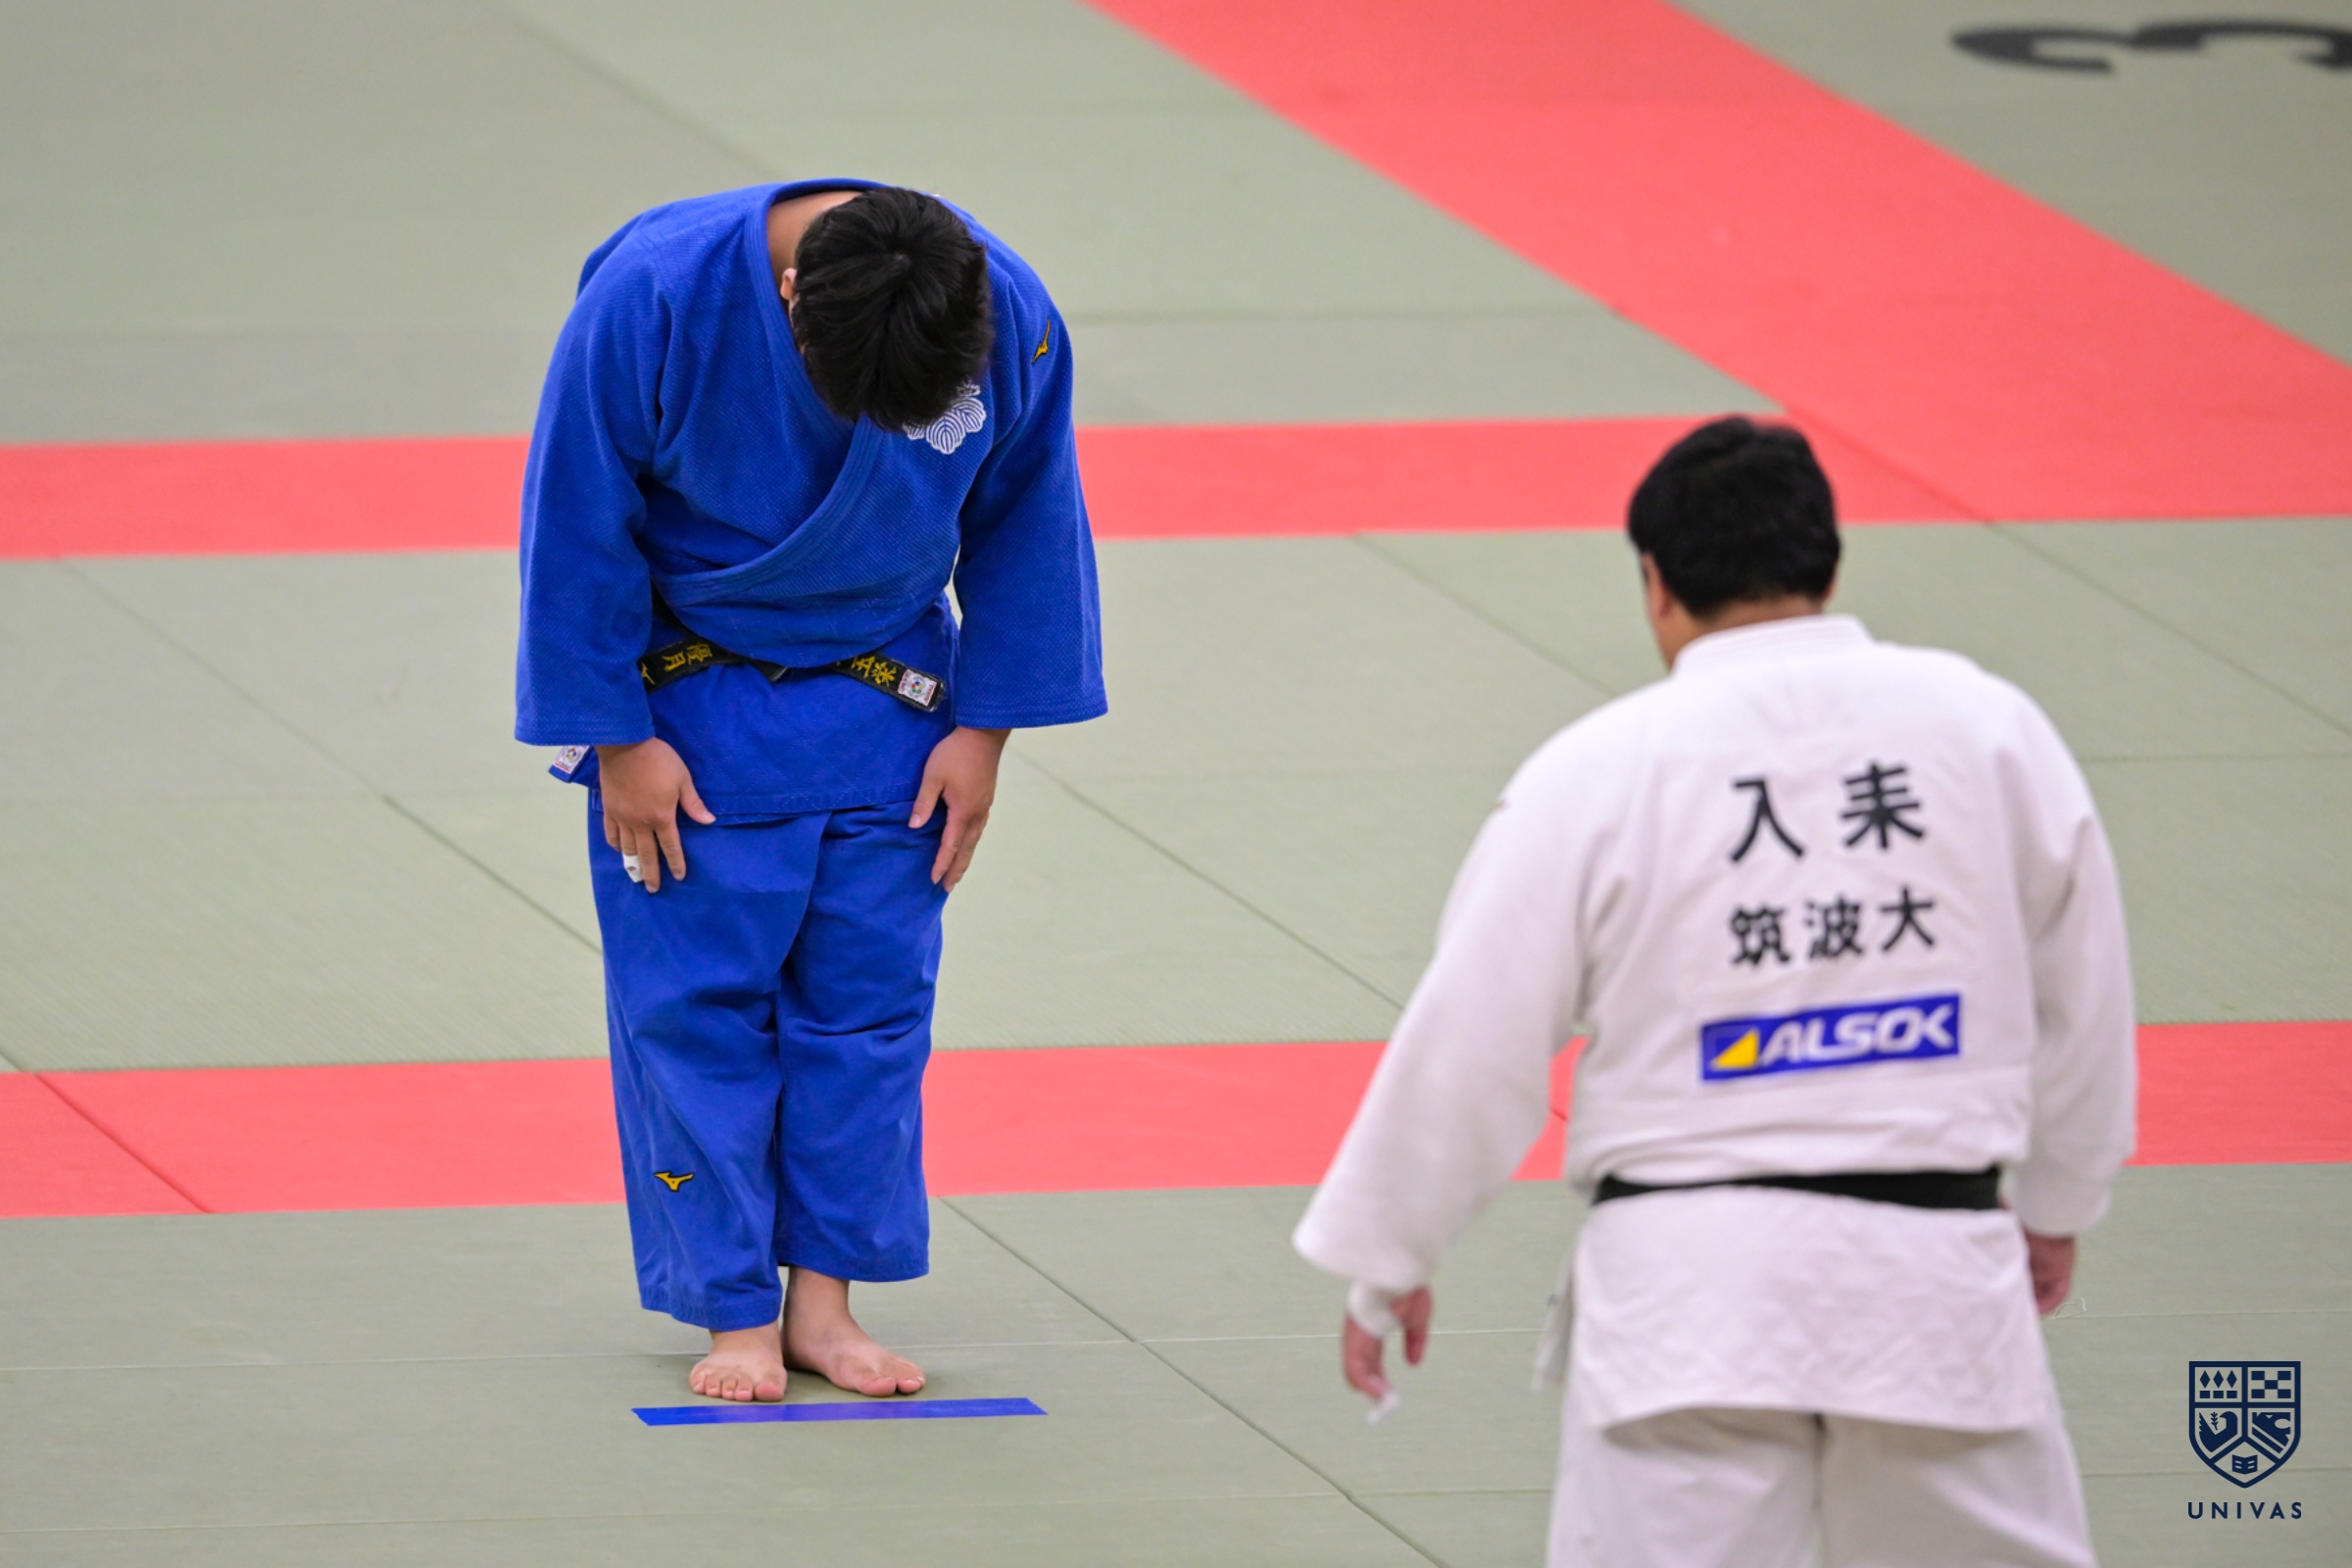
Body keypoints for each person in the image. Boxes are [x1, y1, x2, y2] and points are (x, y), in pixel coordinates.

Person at [1295, 417, 2133, 1567]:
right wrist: (2058, 1203)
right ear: (1828, 563)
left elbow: (1474, 1037)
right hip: (1934, 1285)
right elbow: (2084, 997)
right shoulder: (1987, 729)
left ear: (1657, 583)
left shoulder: (1598, 768)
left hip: (1689, 1304)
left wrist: (1394, 1252)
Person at [515, 182, 1104, 1404]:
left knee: (871, 1015)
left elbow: (1029, 515)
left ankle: (825, 1306)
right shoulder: (651, 297)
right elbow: (574, 518)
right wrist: (617, 739)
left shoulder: (1008, 312)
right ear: (787, 298)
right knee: (695, 1016)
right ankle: (734, 1309)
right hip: (689, 710)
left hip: (895, 707)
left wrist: (985, 730)